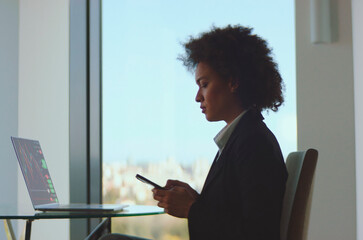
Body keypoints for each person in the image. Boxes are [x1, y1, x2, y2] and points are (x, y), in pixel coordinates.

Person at [100, 25, 288, 240]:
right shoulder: (244, 137)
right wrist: (197, 201)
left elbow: (258, 233)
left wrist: (191, 209)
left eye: (204, 84)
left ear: (233, 82)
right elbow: (236, 214)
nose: (198, 97)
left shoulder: (252, 143)